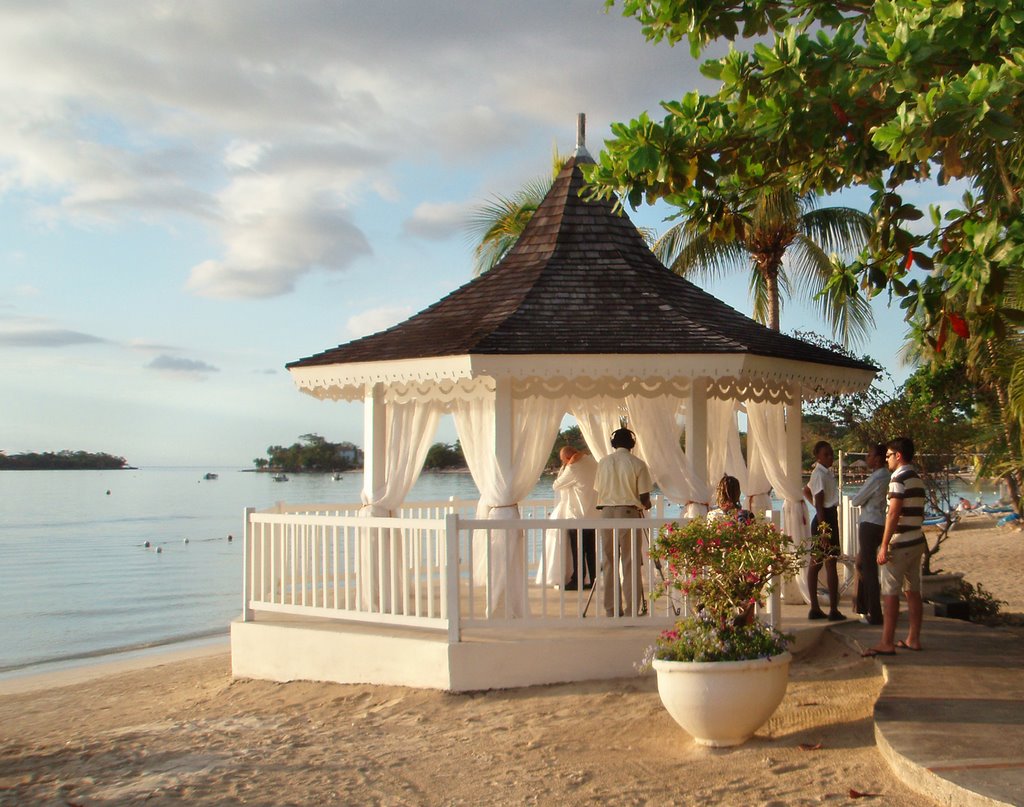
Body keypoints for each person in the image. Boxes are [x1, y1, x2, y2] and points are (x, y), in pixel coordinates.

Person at [863, 437, 927, 656]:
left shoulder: (897, 478)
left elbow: (893, 513)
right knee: (913, 591)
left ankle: (886, 641)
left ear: (898, 456)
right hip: (917, 540)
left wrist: (884, 545)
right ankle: (913, 638)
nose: (887, 459)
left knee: (890, 593)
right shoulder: (917, 478)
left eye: (889, 455)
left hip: (900, 544)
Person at [595, 427, 653, 617]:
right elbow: (644, 497)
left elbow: (599, 489)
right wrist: (646, 504)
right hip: (628, 513)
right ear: (632, 444)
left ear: (613, 443)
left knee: (609, 562)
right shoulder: (637, 463)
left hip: (606, 514)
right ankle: (631, 611)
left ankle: (612, 610)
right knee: (630, 562)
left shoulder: (603, 463)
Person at [538, 446, 598, 589]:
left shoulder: (573, 468)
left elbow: (556, 485)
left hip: (577, 515)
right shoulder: (592, 462)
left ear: (567, 458)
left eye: (562, 460)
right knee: (590, 549)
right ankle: (593, 579)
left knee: (578, 549)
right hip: (594, 514)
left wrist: (567, 466)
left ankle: (577, 580)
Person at [802, 441, 845, 621]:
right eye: (826, 454)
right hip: (824, 520)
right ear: (818, 457)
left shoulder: (825, 473)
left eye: (831, 454)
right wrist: (823, 530)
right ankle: (822, 608)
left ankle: (825, 608)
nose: (830, 457)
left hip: (828, 517)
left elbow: (806, 490)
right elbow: (819, 503)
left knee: (826, 562)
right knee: (822, 563)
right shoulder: (819, 473)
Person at [850, 444, 889, 625]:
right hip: (881, 522)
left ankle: (875, 613)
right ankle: (864, 607)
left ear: (878, 458)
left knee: (868, 569)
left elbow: (857, 499)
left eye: (870, 455)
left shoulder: (877, 477)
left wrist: (860, 498)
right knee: (861, 564)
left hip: (870, 523)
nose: (867, 458)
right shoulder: (888, 476)